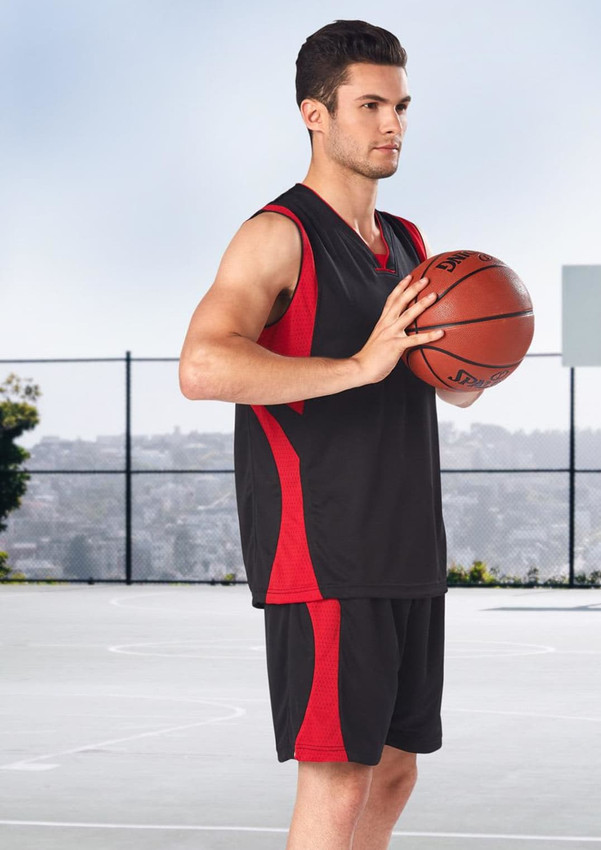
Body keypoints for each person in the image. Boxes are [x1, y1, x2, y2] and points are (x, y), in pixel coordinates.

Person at [179, 19, 482, 850]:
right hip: (322, 553)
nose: (394, 125)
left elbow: (432, 382)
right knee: (339, 780)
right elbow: (203, 368)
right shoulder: (278, 235)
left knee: (393, 769)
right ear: (316, 114)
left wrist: (473, 361)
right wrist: (360, 363)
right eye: (372, 105)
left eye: (403, 106)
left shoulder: (410, 244)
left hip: (407, 545)